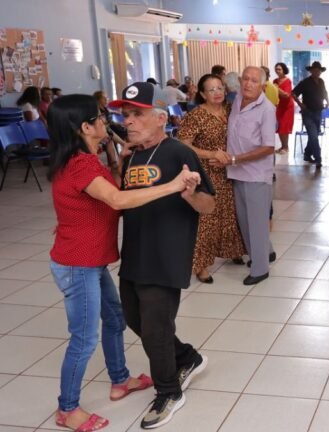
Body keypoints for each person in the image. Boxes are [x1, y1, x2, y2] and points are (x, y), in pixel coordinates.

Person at [46, 94, 202, 432]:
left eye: (135, 114)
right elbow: (116, 198)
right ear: (86, 127)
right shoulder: (82, 164)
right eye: (104, 117)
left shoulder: (93, 160)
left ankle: (132, 382)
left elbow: (108, 193)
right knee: (90, 336)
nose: (117, 122)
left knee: (120, 320)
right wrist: (172, 185)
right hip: (80, 263)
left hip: (102, 261)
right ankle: (67, 408)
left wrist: (121, 166)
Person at [108, 82, 215, 429]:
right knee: (135, 320)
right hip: (136, 251)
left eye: (137, 114)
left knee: (155, 327)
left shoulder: (179, 153)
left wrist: (188, 195)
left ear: (160, 117)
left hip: (167, 254)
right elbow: (121, 201)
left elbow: (209, 205)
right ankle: (187, 357)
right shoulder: (132, 155)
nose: (129, 121)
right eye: (126, 115)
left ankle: (169, 391)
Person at [177, 73, 247, 284]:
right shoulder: (196, 115)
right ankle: (201, 265)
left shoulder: (230, 110)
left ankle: (232, 249)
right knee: (207, 219)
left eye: (220, 88)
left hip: (230, 170)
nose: (217, 93)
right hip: (206, 171)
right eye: (211, 90)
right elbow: (183, 146)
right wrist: (211, 155)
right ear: (202, 94)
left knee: (230, 213)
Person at [211, 66, 276, 286]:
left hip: (255, 173)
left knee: (257, 223)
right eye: (245, 79)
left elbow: (268, 146)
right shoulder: (238, 100)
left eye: (254, 81)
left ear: (263, 85)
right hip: (236, 171)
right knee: (245, 221)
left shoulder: (266, 109)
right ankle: (266, 252)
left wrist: (235, 160)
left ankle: (260, 268)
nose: (248, 84)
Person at [292, 61, 329, 167]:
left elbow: (325, 92)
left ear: (321, 72)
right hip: (307, 112)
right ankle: (318, 159)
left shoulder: (321, 81)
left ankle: (307, 154)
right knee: (313, 136)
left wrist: (327, 100)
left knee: (314, 135)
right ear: (311, 71)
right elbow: (293, 93)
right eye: (315, 70)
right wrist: (300, 104)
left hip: (318, 111)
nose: (317, 72)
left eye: (319, 70)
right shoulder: (305, 82)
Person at [273, 62, 295, 154]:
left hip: (287, 107)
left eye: (279, 69)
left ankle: (286, 147)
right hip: (279, 106)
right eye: (276, 69)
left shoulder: (288, 81)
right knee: (279, 127)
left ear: (284, 70)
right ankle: (282, 146)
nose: (277, 71)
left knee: (285, 127)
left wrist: (277, 88)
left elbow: (286, 95)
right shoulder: (275, 81)